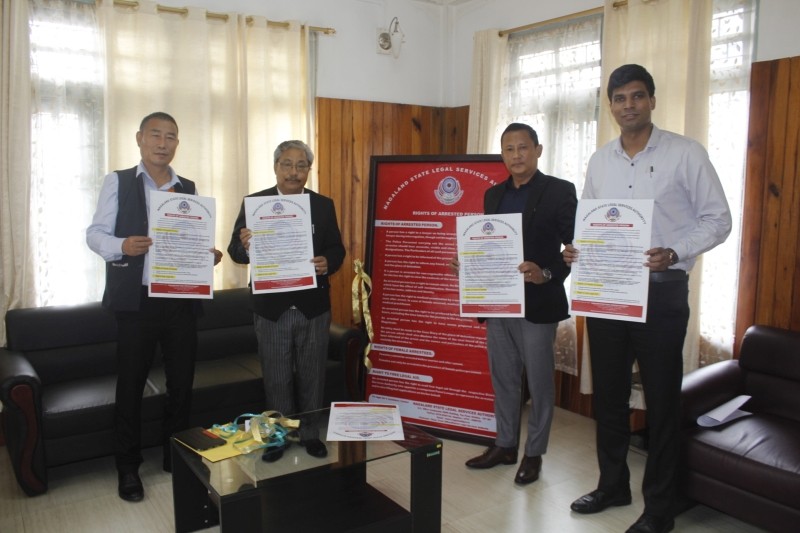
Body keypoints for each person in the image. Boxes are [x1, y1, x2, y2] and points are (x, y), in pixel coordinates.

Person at [564, 64, 732, 533]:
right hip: (609, 294)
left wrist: (676, 250)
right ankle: (612, 485)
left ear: (652, 101)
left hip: (662, 295)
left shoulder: (685, 154)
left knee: (660, 401)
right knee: (610, 398)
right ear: (611, 105)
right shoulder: (600, 161)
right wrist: (579, 249)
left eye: (637, 96)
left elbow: (718, 219)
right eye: (619, 98)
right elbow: (591, 223)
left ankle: (659, 508)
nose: (628, 105)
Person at [86, 111, 223, 502]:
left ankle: (176, 456)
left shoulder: (188, 187)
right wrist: (121, 246)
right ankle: (127, 468)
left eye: (171, 137)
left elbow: (190, 239)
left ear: (177, 143)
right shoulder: (119, 181)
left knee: (182, 385)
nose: (163, 143)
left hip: (180, 301)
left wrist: (206, 255)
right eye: (156, 135)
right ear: (140, 139)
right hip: (136, 303)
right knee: (130, 386)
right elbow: (95, 234)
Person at [450, 123, 577, 485]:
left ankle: (533, 454)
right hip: (499, 302)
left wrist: (546, 274)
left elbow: (574, 250)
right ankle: (505, 445)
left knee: (538, 383)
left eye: (523, 147)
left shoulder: (560, 191)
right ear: (502, 154)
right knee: (504, 379)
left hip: (538, 303)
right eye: (509, 149)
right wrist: (469, 263)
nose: (516, 155)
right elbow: (491, 245)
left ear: (538, 150)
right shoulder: (493, 195)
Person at [227, 139, 345, 461]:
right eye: (287, 164)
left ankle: (309, 434)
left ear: (309, 169)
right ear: (276, 167)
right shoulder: (255, 203)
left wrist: (327, 262)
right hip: (271, 308)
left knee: (312, 375)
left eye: (301, 165)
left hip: (312, 306)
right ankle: (278, 437)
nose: (294, 172)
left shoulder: (322, 205)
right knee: (276, 377)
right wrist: (245, 244)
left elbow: (337, 249)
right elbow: (234, 253)